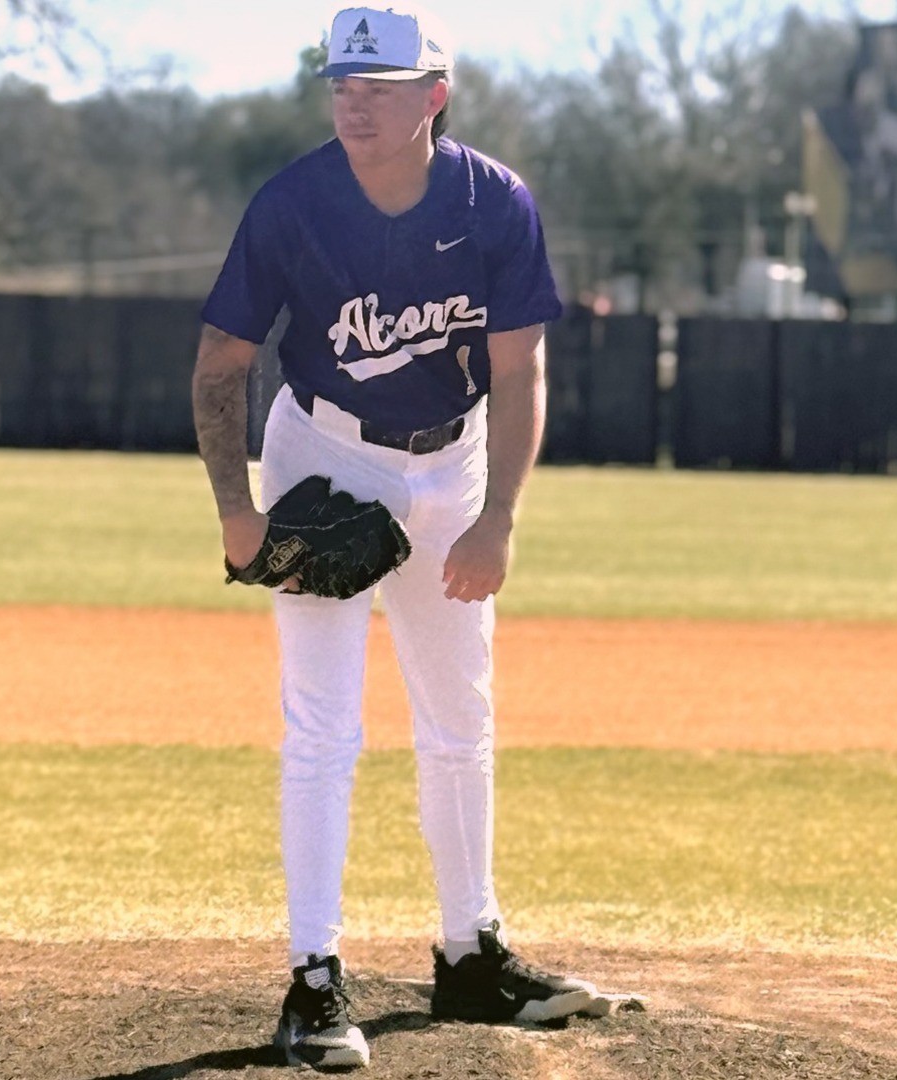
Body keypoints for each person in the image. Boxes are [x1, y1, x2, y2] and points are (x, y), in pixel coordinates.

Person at [190, 4, 605, 1069]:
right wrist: (238, 512)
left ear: (435, 96)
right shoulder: (294, 203)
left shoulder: (494, 203)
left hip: (455, 464)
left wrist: (499, 514)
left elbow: (520, 373)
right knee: (325, 727)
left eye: (378, 83)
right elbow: (222, 361)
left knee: (461, 719)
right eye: (341, 80)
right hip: (324, 458)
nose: (353, 98)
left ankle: (471, 952)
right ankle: (314, 978)